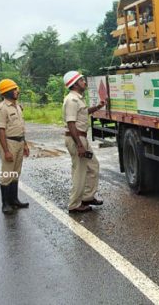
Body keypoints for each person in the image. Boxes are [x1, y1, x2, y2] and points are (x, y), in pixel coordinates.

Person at [62, 71, 106, 213]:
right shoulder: (71, 100)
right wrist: (80, 145)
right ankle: (74, 205)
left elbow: (84, 112)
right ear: (74, 84)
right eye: (81, 80)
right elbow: (71, 124)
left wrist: (98, 106)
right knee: (79, 172)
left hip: (81, 138)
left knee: (93, 166)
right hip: (77, 139)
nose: (84, 82)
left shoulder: (78, 99)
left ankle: (87, 197)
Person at [0, 79, 29, 215]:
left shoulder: (17, 106)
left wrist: (25, 144)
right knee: (7, 173)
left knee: (16, 172)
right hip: (9, 143)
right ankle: (5, 204)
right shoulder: (2, 108)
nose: (17, 91)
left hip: (19, 142)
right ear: (7, 92)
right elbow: (1, 130)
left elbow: (21, 127)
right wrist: (6, 151)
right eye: (14, 89)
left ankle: (14, 200)